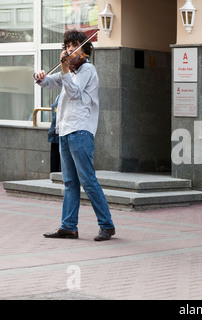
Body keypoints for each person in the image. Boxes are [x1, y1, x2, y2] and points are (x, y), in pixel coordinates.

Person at [34, 29, 115, 241]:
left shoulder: (87, 69)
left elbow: (75, 93)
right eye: (68, 46)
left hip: (81, 130)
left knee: (88, 180)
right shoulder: (70, 71)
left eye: (74, 46)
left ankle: (106, 225)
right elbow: (50, 82)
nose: (70, 50)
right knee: (70, 182)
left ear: (84, 49)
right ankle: (69, 226)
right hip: (65, 130)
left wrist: (65, 70)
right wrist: (40, 77)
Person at [48, 95, 61, 173]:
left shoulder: (59, 97)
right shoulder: (59, 97)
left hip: (58, 131)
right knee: (55, 159)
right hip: (56, 132)